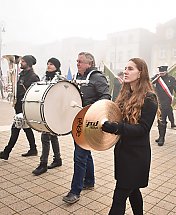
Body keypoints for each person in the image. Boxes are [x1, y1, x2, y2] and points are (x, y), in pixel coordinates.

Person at [101, 58, 158, 215]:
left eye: (130, 69)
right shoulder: (125, 95)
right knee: (133, 191)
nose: (125, 71)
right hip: (122, 152)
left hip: (136, 156)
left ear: (141, 73)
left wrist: (116, 128)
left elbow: (143, 129)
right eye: (125, 68)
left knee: (119, 197)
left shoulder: (149, 98)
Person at [62, 52, 111, 204]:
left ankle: (75, 191)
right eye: (77, 61)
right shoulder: (78, 76)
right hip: (77, 120)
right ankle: (89, 181)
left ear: (89, 63)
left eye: (80, 61)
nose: (77, 63)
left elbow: (106, 97)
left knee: (80, 155)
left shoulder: (97, 77)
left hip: (88, 121)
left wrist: (91, 111)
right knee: (85, 151)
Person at [0, 55, 39, 160]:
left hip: (24, 107)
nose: (20, 63)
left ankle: (6, 152)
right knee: (26, 128)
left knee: (15, 128)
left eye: (23, 61)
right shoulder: (21, 74)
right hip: (18, 106)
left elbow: (34, 94)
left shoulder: (33, 77)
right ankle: (33, 149)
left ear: (29, 63)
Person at [32, 58, 63, 175]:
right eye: (48, 63)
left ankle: (43, 164)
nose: (49, 66)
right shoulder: (44, 77)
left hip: (54, 110)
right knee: (53, 136)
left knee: (45, 137)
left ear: (56, 66)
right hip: (45, 109)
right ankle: (57, 159)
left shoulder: (59, 78)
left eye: (52, 64)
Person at [151, 65, 176, 146]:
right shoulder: (157, 78)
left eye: (163, 72)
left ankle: (162, 138)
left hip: (166, 102)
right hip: (158, 102)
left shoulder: (171, 79)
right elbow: (149, 82)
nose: (161, 73)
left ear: (166, 71)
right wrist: (154, 79)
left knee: (162, 120)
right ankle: (160, 136)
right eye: (160, 72)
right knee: (159, 120)